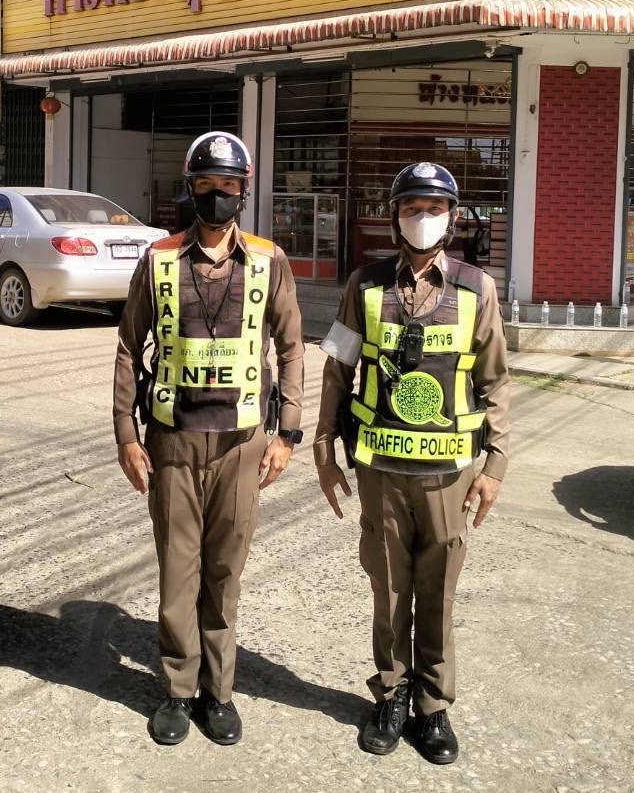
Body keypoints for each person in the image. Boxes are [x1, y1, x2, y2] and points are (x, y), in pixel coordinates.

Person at [112, 131, 306, 747]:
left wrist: (287, 433)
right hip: (171, 441)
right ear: (190, 189)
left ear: (243, 192)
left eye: (228, 186)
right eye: (206, 184)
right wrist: (126, 434)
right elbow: (128, 347)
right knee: (178, 572)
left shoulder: (269, 260)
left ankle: (217, 693)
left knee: (224, 573)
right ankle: (177, 689)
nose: (217, 195)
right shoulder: (160, 259)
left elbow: (292, 347)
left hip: (242, 444)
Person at [312, 161, 510, 766]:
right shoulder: (364, 285)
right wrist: (324, 449)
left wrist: (495, 466)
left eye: (434, 208)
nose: (422, 218)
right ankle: (392, 694)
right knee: (390, 588)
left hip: (449, 474)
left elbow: (496, 381)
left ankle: (433, 707)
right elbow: (338, 369)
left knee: (438, 591)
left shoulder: (478, 289)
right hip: (379, 469)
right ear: (394, 217)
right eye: (411, 208)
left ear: (453, 217)